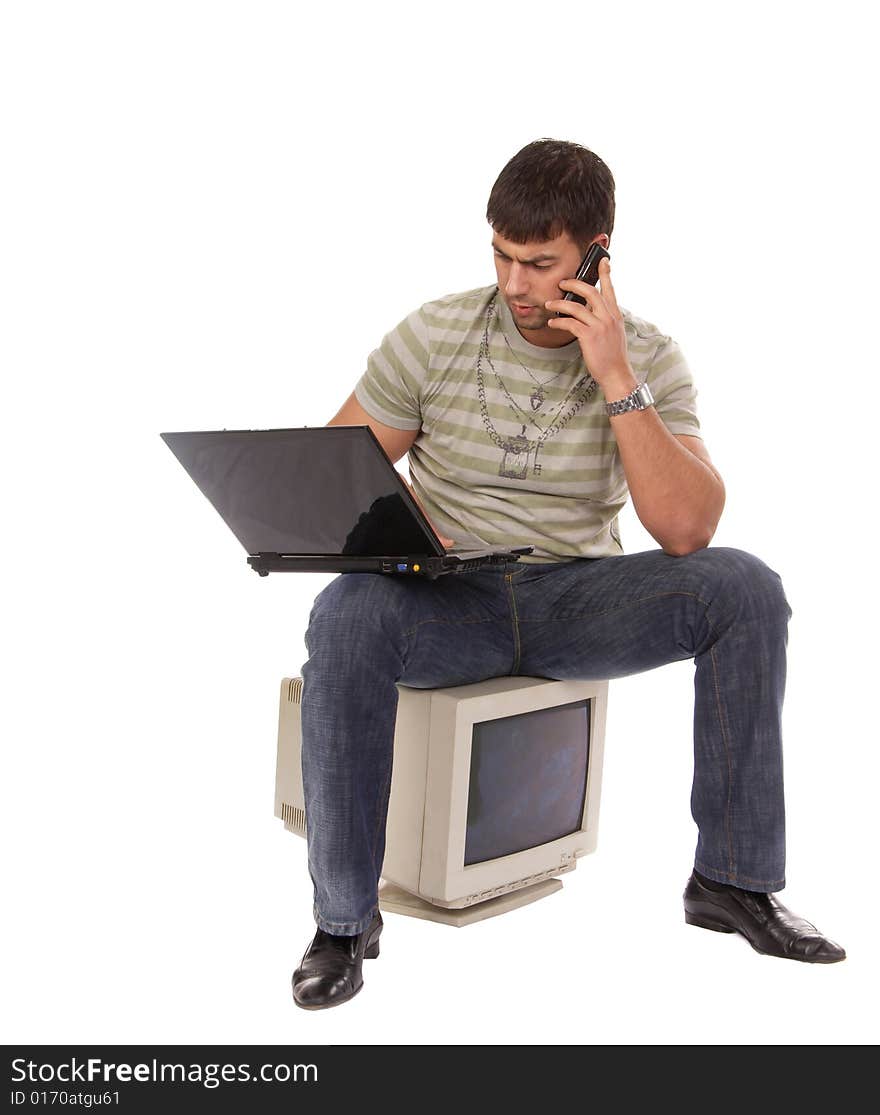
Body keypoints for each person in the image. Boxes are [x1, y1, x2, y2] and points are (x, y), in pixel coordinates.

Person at [291, 138, 845, 1010]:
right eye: (502, 257)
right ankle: (343, 921)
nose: (515, 284)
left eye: (540, 263)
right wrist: (401, 519)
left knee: (745, 586)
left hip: (579, 597)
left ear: (595, 256)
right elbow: (332, 474)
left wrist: (617, 376)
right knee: (346, 611)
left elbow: (688, 525)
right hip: (452, 598)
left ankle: (733, 881)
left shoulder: (651, 357)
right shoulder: (435, 330)